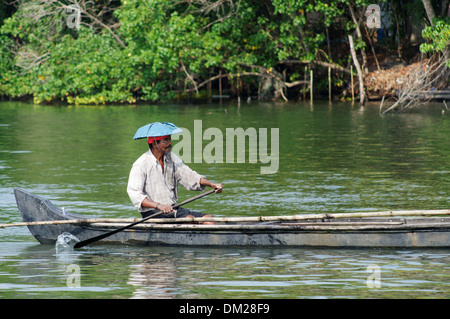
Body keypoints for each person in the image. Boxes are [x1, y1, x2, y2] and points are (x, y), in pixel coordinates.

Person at [127, 123, 222, 221]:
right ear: (155, 144)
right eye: (166, 140)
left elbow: (189, 176)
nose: (170, 143)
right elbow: (135, 194)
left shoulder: (171, 158)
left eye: (169, 139)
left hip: (172, 209)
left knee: (209, 219)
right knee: (189, 219)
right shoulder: (141, 164)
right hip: (152, 213)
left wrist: (212, 184)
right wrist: (159, 206)